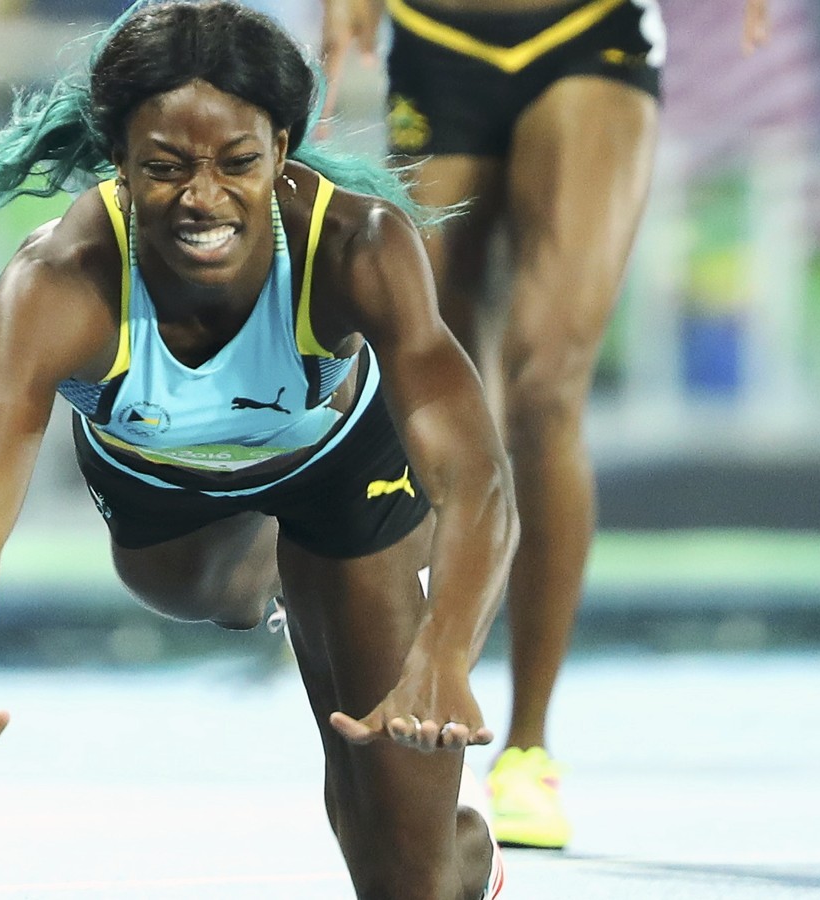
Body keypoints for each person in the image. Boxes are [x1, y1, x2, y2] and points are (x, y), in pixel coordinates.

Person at [0, 2, 517, 897]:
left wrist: (444, 658)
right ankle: (294, 589)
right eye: (164, 169)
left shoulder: (356, 246)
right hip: (180, 529)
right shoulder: (59, 285)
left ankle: (456, 842)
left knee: (412, 880)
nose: (202, 199)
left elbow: (476, 484)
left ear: (283, 148)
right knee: (247, 592)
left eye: (236, 164)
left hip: (343, 481)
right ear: (119, 164)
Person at [320, 0, 770, 849]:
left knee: (545, 377)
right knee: (423, 370)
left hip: (587, 32)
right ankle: (410, 691)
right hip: (437, 31)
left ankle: (526, 745)